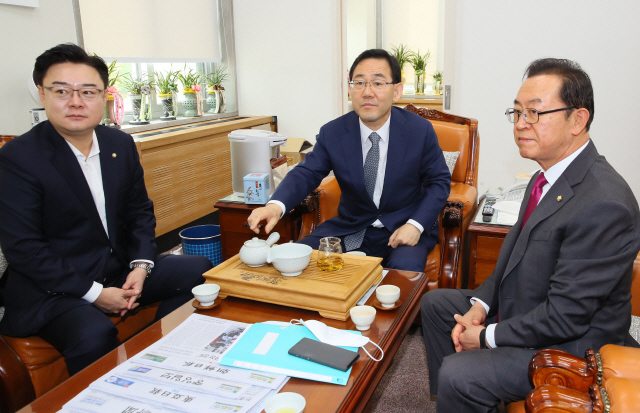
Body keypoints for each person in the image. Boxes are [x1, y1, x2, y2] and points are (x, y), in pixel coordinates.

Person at [421, 58, 640, 412]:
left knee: (461, 373)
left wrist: (487, 336)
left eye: (535, 113)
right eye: (517, 112)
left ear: (578, 120)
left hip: (575, 347)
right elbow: (511, 255)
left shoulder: (604, 203)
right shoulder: (545, 176)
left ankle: (463, 384)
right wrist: (480, 306)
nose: (521, 124)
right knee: (436, 304)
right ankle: (462, 401)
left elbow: (566, 317)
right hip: (534, 308)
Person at [0, 43, 212, 376]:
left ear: (103, 96)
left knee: (198, 269)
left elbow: (140, 212)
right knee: (92, 333)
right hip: (55, 287)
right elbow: (24, 249)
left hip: (114, 269)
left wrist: (140, 268)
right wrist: (95, 293)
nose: (75, 102)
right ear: (42, 94)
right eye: (61, 91)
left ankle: (158, 357)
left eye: (87, 91)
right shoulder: (19, 158)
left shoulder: (119, 144)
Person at [247, 49, 451, 272]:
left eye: (378, 83)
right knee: (297, 260)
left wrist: (415, 225)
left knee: (404, 275)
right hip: (350, 227)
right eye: (360, 83)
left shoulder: (419, 131)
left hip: (403, 228)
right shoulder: (334, 132)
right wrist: (275, 207)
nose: (367, 92)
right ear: (350, 90)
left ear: (396, 91)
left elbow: (439, 182)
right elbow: (307, 172)